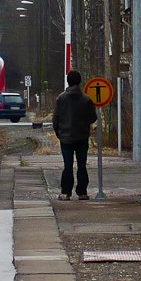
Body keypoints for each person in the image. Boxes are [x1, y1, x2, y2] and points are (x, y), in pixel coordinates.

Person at [52, 70, 98, 200]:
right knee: (82, 165)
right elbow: (92, 117)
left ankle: (66, 192)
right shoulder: (86, 99)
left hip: (65, 137)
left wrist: (59, 133)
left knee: (68, 165)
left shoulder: (61, 99)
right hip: (82, 137)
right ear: (80, 81)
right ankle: (82, 192)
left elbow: (55, 119)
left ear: (68, 81)